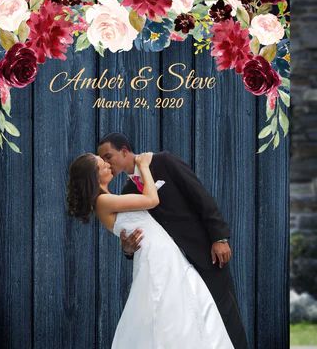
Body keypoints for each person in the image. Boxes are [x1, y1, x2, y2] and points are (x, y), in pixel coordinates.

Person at [67, 152, 234, 348]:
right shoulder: (103, 202)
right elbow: (152, 199)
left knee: (186, 306)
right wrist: (144, 166)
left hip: (166, 255)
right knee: (166, 310)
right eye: (101, 164)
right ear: (93, 176)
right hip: (156, 259)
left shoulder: (111, 198)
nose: (107, 165)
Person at [97, 133, 249, 349]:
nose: (106, 163)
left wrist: (219, 237)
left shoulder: (164, 162)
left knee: (224, 315)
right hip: (172, 269)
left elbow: (200, 196)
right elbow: (140, 231)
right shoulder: (127, 192)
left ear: (124, 151)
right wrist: (128, 250)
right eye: (102, 159)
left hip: (204, 252)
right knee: (194, 324)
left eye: (108, 156)